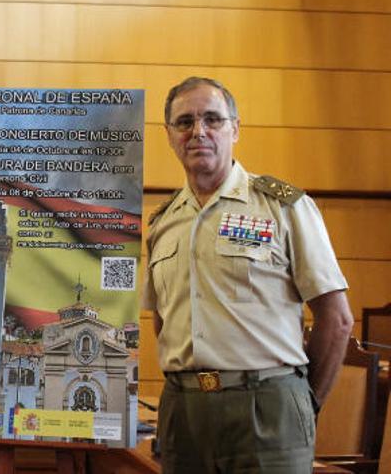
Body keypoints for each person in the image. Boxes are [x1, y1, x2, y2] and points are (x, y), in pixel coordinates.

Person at [143, 77, 353, 473]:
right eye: (184, 122)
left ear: (235, 129)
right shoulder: (162, 223)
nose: (198, 132)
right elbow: (164, 320)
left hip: (267, 409)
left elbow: (337, 319)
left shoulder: (284, 207)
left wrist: (304, 405)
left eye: (212, 119)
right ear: (169, 135)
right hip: (183, 412)